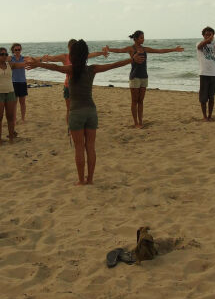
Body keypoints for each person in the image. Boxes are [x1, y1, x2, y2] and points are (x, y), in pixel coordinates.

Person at [27, 40, 144, 185]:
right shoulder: (92, 69)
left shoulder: (70, 70)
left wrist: (37, 63)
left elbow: (52, 67)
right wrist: (131, 60)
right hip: (91, 112)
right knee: (90, 147)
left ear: (73, 55)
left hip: (76, 113)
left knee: (79, 148)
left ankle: (81, 180)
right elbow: (113, 65)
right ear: (86, 55)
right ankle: (90, 179)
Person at [104, 30, 183, 128]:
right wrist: (109, 49)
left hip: (144, 77)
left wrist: (174, 49)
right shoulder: (131, 49)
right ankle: (135, 122)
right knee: (134, 101)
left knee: (141, 101)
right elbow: (120, 50)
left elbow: (159, 51)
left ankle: (140, 121)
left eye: (143, 37)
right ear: (136, 39)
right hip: (135, 77)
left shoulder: (145, 49)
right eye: (141, 37)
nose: (143, 39)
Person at [41, 39, 108, 126]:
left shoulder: (81, 57)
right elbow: (53, 60)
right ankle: (70, 128)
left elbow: (93, 54)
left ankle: (75, 126)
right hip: (68, 86)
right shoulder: (65, 56)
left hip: (77, 87)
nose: (72, 50)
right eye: (71, 48)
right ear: (69, 48)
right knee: (70, 109)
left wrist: (102, 53)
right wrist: (43, 59)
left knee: (76, 109)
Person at [0, 43, 37, 123]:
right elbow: (1, 60)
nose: (17, 51)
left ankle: (23, 119)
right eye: (16, 49)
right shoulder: (10, 58)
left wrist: (40, 60)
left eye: (19, 49)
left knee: (22, 102)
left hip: (22, 82)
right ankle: (14, 118)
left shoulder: (24, 58)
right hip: (13, 82)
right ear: (13, 50)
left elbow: (33, 60)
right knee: (14, 102)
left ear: (21, 50)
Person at [196, 26, 215, 121]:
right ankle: (204, 116)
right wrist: (208, 40)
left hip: (213, 74)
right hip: (204, 73)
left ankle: (210, 115)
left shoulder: (214, 44)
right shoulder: (199, 43)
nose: (209, 36)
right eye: (207, 35)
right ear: (203, 35)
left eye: (211, 35)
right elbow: (199, 47)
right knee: (203, 98)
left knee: (212, 97)